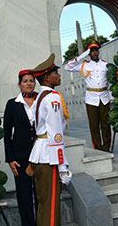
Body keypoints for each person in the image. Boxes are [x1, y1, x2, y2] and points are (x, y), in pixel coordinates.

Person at [28, 54, 71, 226]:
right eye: (55, 73)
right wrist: (62, 166)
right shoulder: (53, 98)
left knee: (44, 205)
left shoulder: (40, 97)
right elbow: (56, 135)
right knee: (51, 207)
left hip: (41, 153)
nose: (59, 76)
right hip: (49, 157)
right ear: (47, 77)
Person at [3, 70, 39, 226]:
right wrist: (10, 159)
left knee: (41, 194)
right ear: (19, 85)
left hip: (41, 155)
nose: (29, 83)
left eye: (31, 80)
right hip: (20, 157)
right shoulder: (12, 104)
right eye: (25, 81)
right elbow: (6, 134)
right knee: (24, 195)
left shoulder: (42, 100)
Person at [63, 40, 112, 152]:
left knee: (106, 125)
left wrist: (111, 96)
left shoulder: (105, 64)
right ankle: (98, 148)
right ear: (89, 53)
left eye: (96, 50)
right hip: (91, 99)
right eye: (92, 51)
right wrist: (82, 55)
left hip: (104, 97)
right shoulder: (84, 65)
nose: (94, 53)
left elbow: (109, 81)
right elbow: (68, 67)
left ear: (98, 51)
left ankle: (106, 147)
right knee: (94, 126)